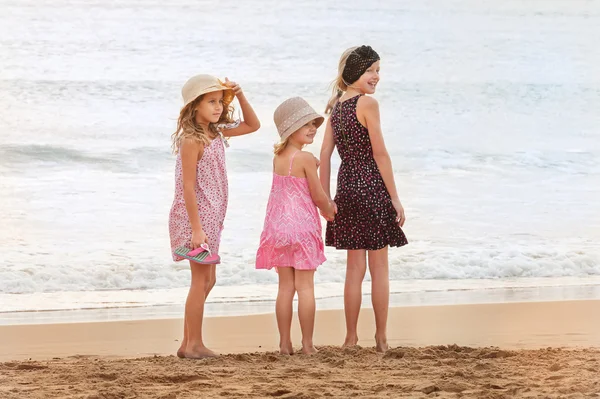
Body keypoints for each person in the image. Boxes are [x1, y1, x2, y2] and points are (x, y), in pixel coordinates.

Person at [319, 46, 408, 352]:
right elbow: (380, 153)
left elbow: (325, 155)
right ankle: (381, 338)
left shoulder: (336, 105)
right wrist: (394, 198)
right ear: (355, 72)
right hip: (371, 185)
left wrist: (325, 198)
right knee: (379, 267)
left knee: (354, 269)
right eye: (371, 70)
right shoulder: (367, 103)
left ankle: (350, 338)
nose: (376, 77)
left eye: (378, 71)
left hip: (346, 188)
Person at [169, 74, 260, 358]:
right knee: (200, 281)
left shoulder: (216, 132)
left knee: (209, 281)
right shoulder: (192, 140)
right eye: (211, 101)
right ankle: (194, 344)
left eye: (220, 101)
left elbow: (253, 125)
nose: (218, 107)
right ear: (195, 106)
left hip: (212, 217)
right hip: (196, 219)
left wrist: (240, 94)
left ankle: (187, 344)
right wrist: (196, 229)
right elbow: (187, 185)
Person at [256, 97, 335, 355]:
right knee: (305, 288)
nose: (313, 128)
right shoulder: (305, 158)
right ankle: (308, 345)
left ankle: (284, 344)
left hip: (277, 229)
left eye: (313, 124)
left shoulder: (279, 157)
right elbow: (317, 195)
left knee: (285, 289)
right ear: (290, 129)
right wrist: (330, 209)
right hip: (301, 229)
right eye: (306, 125)